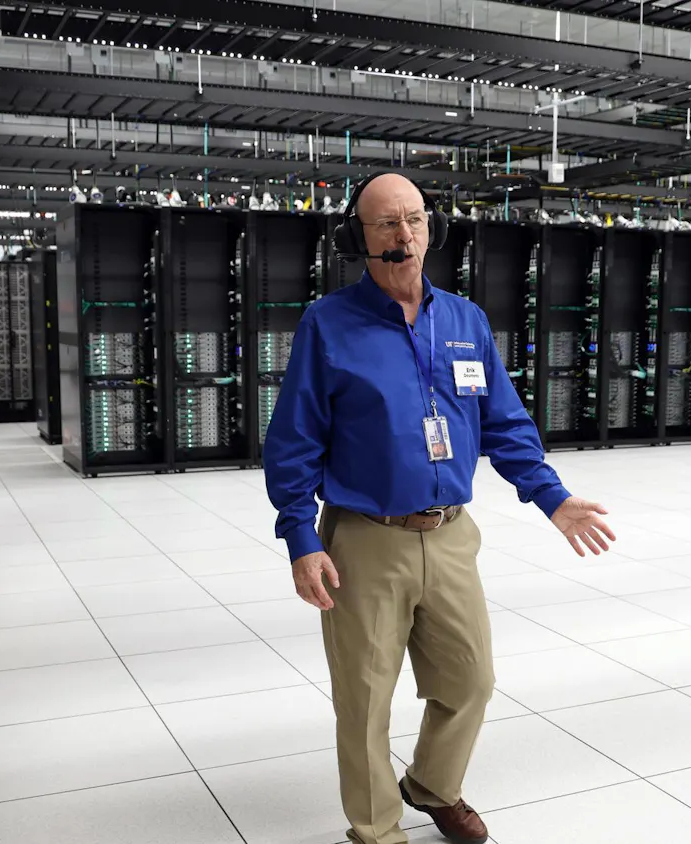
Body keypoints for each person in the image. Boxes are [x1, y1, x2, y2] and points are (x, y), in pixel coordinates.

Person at [263, 172, 616, 844]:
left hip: (452, 534)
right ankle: (376, 829)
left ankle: (430, 784)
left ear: (433, 229)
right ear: (355, 238)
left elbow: (505, 424)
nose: (405, 236)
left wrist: (554, 498)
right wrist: (300, 537)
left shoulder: (465, 320)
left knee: (471, 681)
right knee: (365, 701)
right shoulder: (328, 325)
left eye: (415, 220)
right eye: (387, 224)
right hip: (363, 539)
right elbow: (294, 441)